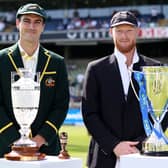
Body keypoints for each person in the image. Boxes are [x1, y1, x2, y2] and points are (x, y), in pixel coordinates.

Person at [82, 11, 161, 168]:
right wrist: (114, 145)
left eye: (129, 31)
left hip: (143, 155)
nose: (124, 36)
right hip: (104, 157)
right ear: (111, 32)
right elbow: (90, 114)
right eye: (119, 31)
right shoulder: (96, 69)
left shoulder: (155, 69)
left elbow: (162, 114)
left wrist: (141, 144)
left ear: (137, 32)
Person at [0, 3, 69, 157]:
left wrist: (40, 139)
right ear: (18, 24)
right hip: (6, 148)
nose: (32, 26)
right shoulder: (1, 59)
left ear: (43, 27)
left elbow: (61, 105)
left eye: (37, 22)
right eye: (26, 21)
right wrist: (16, 140)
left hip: (46, 148)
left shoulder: (57, 62)